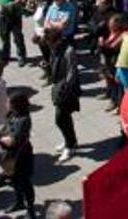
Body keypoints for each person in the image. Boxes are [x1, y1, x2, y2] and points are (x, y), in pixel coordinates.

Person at [0, 90, 35, 213]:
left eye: (9, 102)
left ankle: (30, 210)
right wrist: (2, 133)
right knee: (14, 179)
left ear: (17, 104)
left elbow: (12, 141)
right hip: (10, 153)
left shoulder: (24, 120)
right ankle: (19, 202)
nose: (7, 104)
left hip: (21, 155)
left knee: (25, 182)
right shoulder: (12, 113)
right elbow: (4, 127)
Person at [48, 28, 81, 163]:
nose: (49, 45)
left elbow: (72, 73)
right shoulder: (56, 49)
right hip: (59, 86)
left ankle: (70, 145)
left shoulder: (68, 51)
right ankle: (70, 141)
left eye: (51, 42)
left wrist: (65, 89)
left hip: (66, 91)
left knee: (60, 118)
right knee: (64, 118)